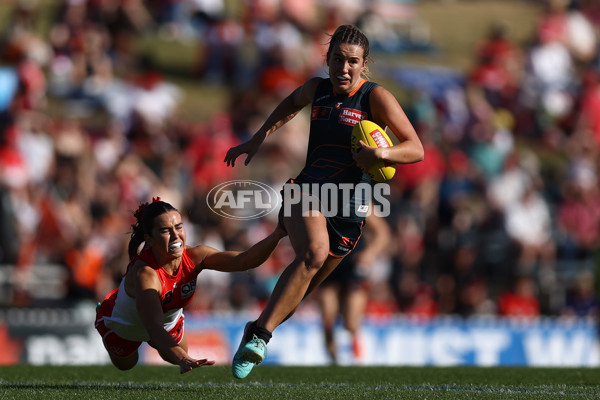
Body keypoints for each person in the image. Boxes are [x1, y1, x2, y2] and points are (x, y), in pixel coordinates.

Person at [224, 24, 424, 379]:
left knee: (298, 295)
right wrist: (259, 137)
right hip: (309, 189)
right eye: (337, 60)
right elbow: (290, 103)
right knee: (314, 253)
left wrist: (382, 153)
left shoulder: (375, 98)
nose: (343, 69)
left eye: (352, 62)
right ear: (327, 59)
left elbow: (415, 148)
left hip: (350, 208)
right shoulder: (317, 90)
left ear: (364, 64)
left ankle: (256, 327)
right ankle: (260, 337)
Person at [94, 197, 287, 374]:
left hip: (166, 322)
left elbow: (245, 261)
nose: (175, 235)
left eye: (178, 227)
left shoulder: (195, 257)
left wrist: (277, 234)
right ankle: (107, 308)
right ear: (149, 240)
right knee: (126, 365)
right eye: (165, 231)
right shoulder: (146, 274)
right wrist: (183, 359)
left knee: (172, 352)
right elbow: (152, 326)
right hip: (127, 325)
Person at [318, 211, 391, 364]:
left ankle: (353, 357)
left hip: (352, 264)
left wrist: (370, 254)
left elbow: (382, 232)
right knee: (327, 319)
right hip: (326, 262)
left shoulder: (358, 198)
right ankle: (334, 362)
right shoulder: (322, 196)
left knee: (351, 321)